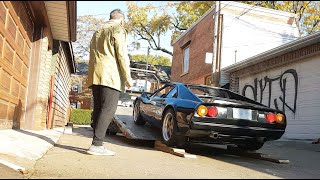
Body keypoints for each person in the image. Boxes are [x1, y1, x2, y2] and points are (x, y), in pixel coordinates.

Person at [86, 9, 133, 156]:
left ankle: (97, 142)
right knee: (108, 109)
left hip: (95, 74)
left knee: (99, 109)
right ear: (122, 20)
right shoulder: (118, 29)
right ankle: (97, 145)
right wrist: (128, 77)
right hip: (110, 76)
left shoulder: (97, 32)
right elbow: (122, 54)